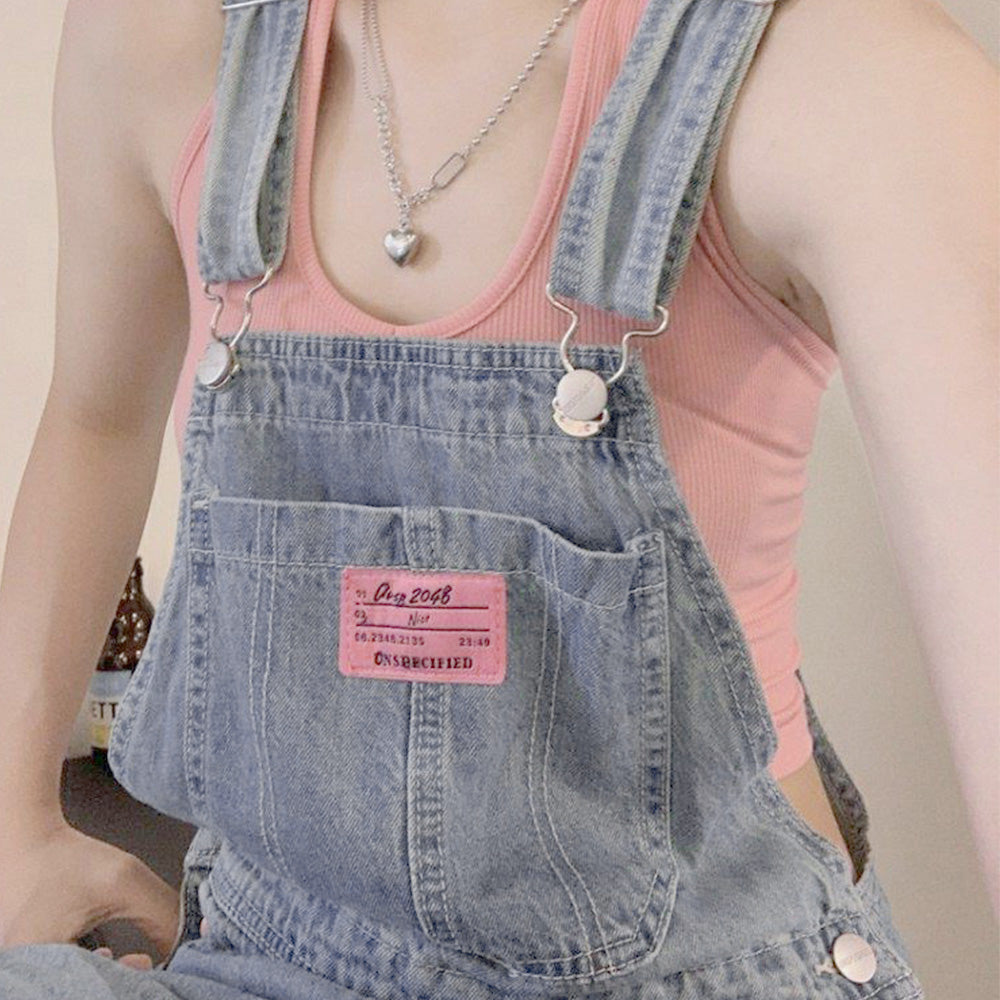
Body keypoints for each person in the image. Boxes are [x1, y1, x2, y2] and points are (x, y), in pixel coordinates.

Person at [0, 0, 994, 996]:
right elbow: (97, 418)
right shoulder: (161, 37)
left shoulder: (849, 78)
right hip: (267, 955)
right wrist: (14, 822)